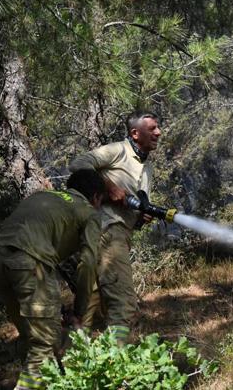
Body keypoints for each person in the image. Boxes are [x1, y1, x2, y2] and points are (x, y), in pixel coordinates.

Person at [0, 169, 106, 390]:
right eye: (102, 202)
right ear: (95, 197)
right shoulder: (89, 212)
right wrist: (80, 311)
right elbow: (88, 263)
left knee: (32, 339)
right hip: (30, 262)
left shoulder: (43, 197)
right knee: (43, 344)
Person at [68, 110, 161, 344]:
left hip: (114, 231)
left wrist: (141, 216)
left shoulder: (147, 168)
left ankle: (71, 367)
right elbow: (78, 164)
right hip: (107, 230)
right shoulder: (118, 150)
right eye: (152, 129)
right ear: (135, 133)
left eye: (158, 128)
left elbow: (134, 203)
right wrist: (108, 186)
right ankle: (118, 366)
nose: (158, 133)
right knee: (122, 302)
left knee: (89, 305)